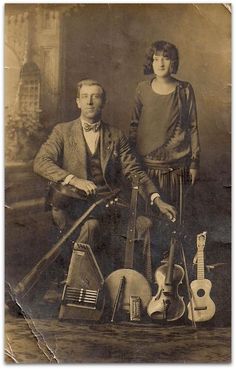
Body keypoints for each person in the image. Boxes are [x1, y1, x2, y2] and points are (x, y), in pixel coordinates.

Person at [34, 79, 176, 281]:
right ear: (78, 102)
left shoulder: (116, 136)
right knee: (91, 227)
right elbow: (40, 162)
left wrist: (156, 199)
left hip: (109, 209)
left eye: (96, 96)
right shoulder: (62, 132)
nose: (90, 102)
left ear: (103, 102)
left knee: (145, 225)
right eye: (85, 97)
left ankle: (142, 288)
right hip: (73, 208)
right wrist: (74, 180)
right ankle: (75, 286)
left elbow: (134, 171)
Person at [129, 40, 200, 263]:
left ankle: (174, 277)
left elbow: (193, 127)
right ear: (151, 62)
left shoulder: (184, 90)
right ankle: (149, 278)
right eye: (156, 58)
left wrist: (194, 163)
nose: (160, 63)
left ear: (173, 62)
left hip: (177, 170)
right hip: (147, 170)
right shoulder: (142, 88)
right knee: (149, 224)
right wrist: (131, 163)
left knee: (174, 223)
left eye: (166, 58)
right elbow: (133, 125)